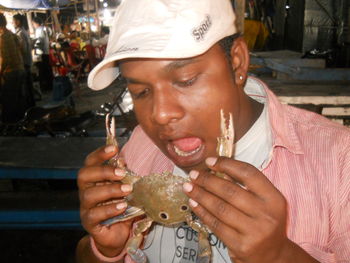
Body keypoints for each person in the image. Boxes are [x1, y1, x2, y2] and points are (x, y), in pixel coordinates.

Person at [76, 0, 350, 262]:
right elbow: (86, 255)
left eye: (186, 80)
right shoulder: (139, 146)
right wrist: (106, 249)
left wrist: (280, 256)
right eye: (141, 92)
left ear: (238, 62)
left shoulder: (340, 163)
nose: (160, 114)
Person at [0, 13, 26, 123]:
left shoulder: (2, 38)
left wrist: (0, 72)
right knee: (18, 99)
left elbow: (5, 59)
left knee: (8, 101)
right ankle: (20, 122)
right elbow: (22, 50)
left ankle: (10, 125)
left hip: (11, 72)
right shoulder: (11, 34)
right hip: (20, 69)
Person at [12, 13, 35, 108]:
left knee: (27, 85)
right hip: (27, 61)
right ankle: (31, 104)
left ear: (18, 21)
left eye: (13, 21)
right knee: (28, 84)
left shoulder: (20, 33)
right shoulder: (23, 31)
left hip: (24, 62)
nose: (13, 23)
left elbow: (23, 49)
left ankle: (30, 106)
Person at [32, 16, 53, 91]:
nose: (33, 25)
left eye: (33, 24)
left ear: (36, 23)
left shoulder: (39, 30)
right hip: (46, 51)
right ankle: (50, 85)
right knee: (47, 69)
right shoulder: (45, 28)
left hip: (41, 53)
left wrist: (33, 44)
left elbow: (39, 42)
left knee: (43, 71)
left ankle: (46, 87)